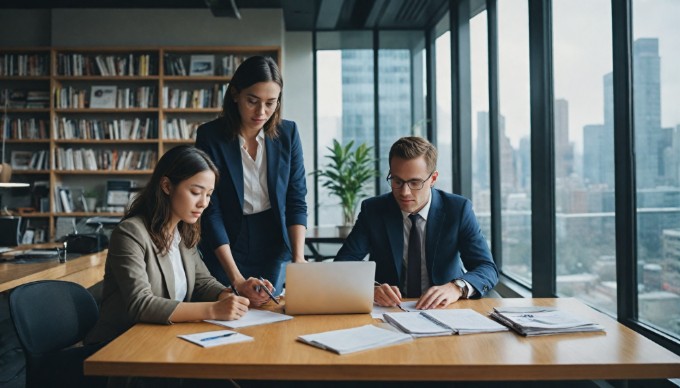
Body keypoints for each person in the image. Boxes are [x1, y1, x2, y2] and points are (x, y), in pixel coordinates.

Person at [85, 145, 249, 346]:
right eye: (196, 192)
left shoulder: (183, 231)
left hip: (164, 340)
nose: (204, 203)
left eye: (208, 194)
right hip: (121, 347)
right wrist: (214, 309)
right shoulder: (131, 233)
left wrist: (231, 296)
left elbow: (203, 283)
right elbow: (141, 304)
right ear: (166, 186)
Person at [335, 136, 498, 310]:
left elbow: (487, 268)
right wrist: (372, 288)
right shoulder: (373, 210)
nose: (404, 192)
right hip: (389, 310)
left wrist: (456, 288)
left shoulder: (457, 210)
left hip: (446, 309)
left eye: (414, 182)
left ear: (433, 178)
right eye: (397, 181)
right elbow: (343, 265)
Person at [195, 55, 307, 305]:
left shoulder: (288, 134)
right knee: (231, 311)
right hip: (226, 240)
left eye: (271, 103)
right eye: (252, 101)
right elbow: (210, 210)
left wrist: (298, 260)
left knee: (268, 308)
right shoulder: (210, 136)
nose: (262, 112)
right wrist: (235, 279)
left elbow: (296, 200)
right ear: (235, 94)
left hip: (273, 240)